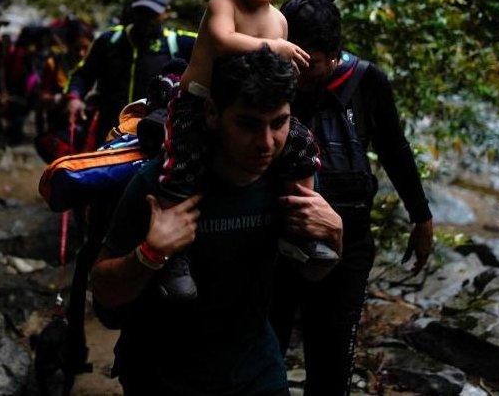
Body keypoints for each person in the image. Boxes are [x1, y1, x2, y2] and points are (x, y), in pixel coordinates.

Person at [91, 48, 343, 396]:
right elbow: (104, 296)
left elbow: (312, 275)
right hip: (161, 374)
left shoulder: (292, 180)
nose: (266, 144)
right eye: (248, 124)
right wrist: (149, 254)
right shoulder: (162, 185)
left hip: (255, 368)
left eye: (279, 123)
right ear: (212, 113)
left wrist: (335, 237)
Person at [269, 0, 435, 395]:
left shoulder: (367, 81)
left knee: (331, 358)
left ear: (335, 52)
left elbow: (395, 150)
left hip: (349, 243)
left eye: (313, 65)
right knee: (265, 348)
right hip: (274, 236)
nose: (302, 75)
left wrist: (422, 217)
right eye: (296, 61)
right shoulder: (273, 73)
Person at [155, 0, 334, 301]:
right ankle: (175, 254)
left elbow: (278, 80)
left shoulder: (279, 21)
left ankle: (297, 231)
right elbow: (222, 41)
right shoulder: (224, 4)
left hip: (253, 110)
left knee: (303, 147)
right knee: (182, 165)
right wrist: (278, 48)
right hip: (198, 102)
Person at [66, 0, 196, 145]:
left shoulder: (179, 43)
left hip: (154, 137)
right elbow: (82, 75)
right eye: (141, 11)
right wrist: (74, 98)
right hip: (108, 132)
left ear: (166, 12)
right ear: (132, 9)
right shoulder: (109, 41)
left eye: (153, 13)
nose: (146, 19)